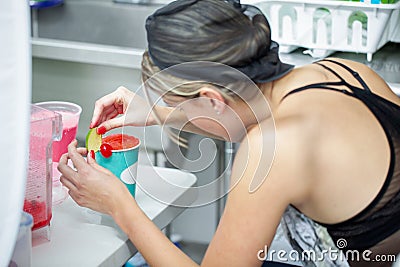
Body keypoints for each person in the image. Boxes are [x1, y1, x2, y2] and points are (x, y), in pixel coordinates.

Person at [58, 0, 400, 266]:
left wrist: (119, 205)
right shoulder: (341, 71)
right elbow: (237, 115)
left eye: (180, 103)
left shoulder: (271, 150)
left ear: (211, 99)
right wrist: (160, 113)